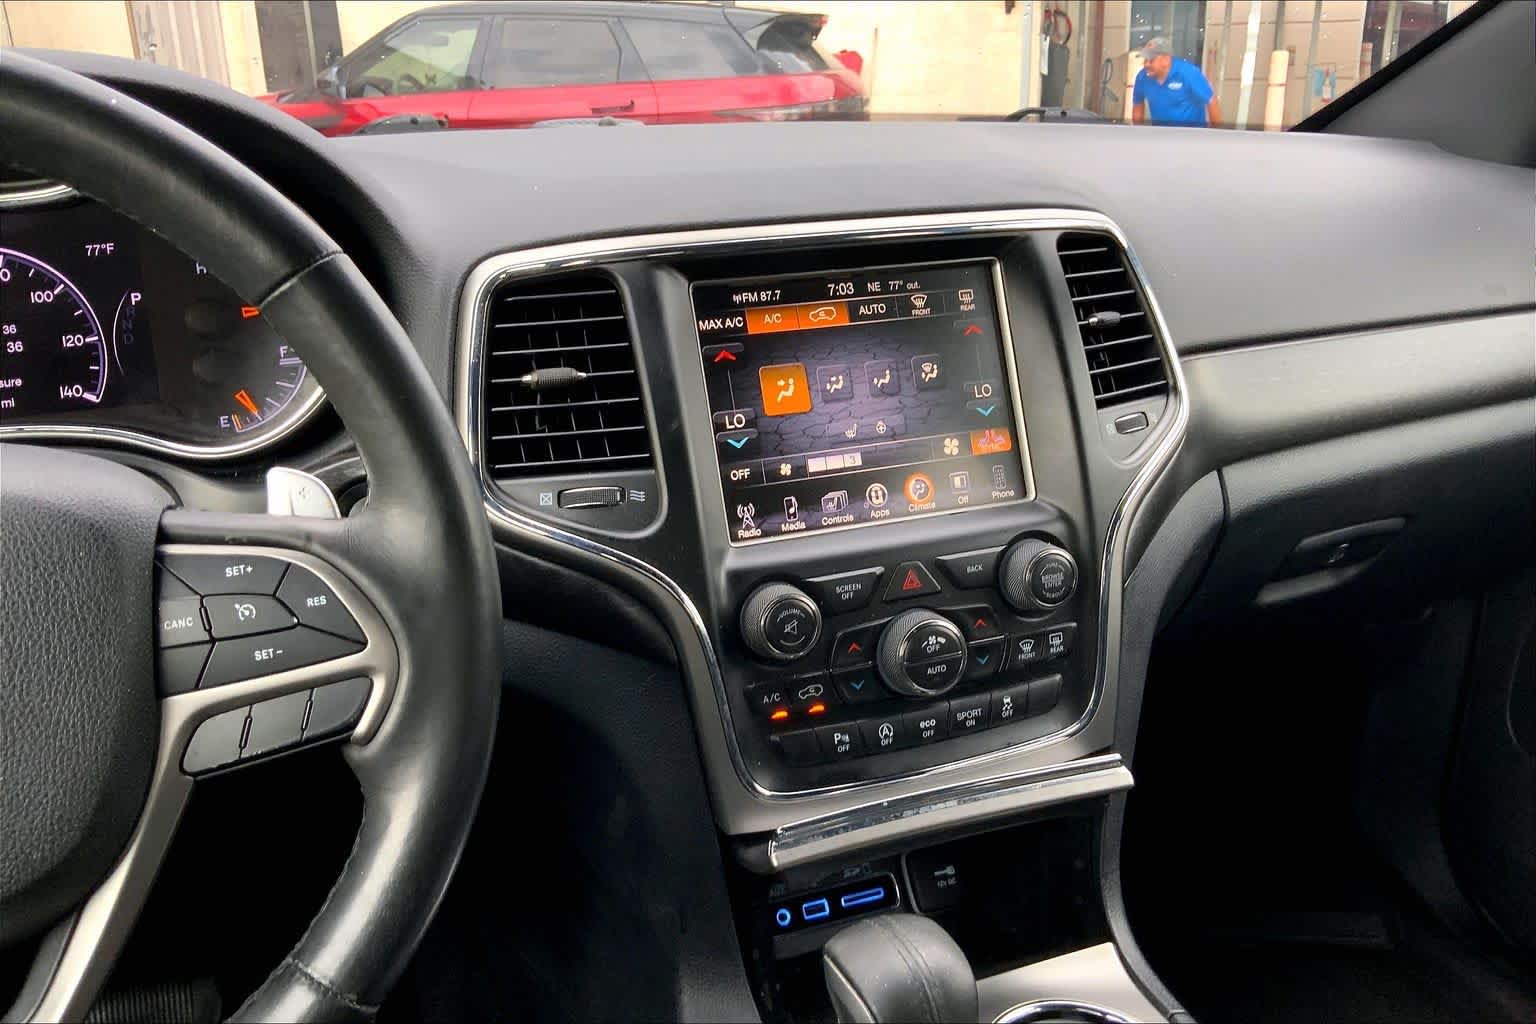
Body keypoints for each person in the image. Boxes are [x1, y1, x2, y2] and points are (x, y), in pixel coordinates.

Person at [1132, 37, 1222, 127]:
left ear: (1166, 59)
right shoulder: (1142, 77)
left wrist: (1214, 135)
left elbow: (1212, 101)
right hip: (1161, 136)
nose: (1146, 64)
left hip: (1191, 137)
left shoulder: (1189, 73)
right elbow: (1137, 106)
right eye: (1145, 60)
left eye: (1151, 60)